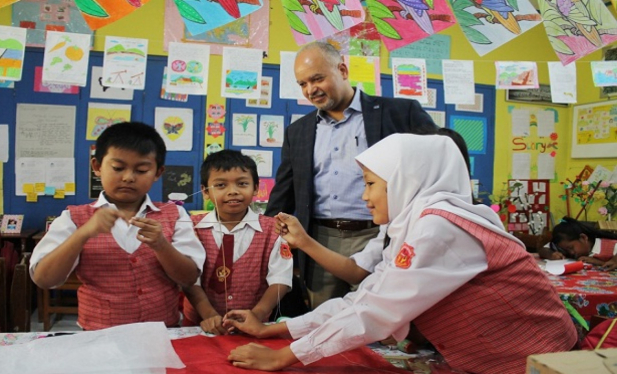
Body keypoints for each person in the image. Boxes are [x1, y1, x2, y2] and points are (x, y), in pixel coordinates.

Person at [224, 134, 576, 374]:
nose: (364, 196)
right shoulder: (418, 223)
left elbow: (378, 311)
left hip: (535, 363)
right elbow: (366, 297)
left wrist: (284, 356)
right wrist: (276, 331)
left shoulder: (439, 226)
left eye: (371, 183)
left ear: (406, 179)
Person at [266, 41, 438, 309]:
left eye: (317, 78)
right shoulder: (297, 131)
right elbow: (284, 191)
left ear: (343, 70)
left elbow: (437, 164)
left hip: (382, 236)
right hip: (319, 239)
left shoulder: (401, 113)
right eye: (302, 84)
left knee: (383, 316)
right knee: (322, 322)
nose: (311, 89)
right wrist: (267, 240)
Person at [30, 122, 206, 331]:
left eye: (141, 170)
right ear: (97, 166)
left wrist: (161, 245)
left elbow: (188, 277)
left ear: (158, 172)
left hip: (161, 331)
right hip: (99, 334)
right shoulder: (73, 218)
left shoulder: (174, 214)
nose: (128, 177)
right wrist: (83, 233)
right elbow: (44, 279)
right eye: (118, 168)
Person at [182, 150, 293, 335]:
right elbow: (188, 279)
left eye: (242, 184)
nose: (233, 191)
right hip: (199, 325)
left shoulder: (274, 229)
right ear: (205, 191)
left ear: (256, 188)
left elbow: (280, 279)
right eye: (220, 185)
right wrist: (208, 314)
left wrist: (257, 314)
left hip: (254, 326)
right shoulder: (190, 228)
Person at [541, 216, 617, 270]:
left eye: (571, 248)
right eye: (566, 250)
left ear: (583, 238)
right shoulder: (568, 250)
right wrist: (551, 255)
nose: (571, 253)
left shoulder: (610, 246)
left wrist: (599, 262)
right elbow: (544, 249)